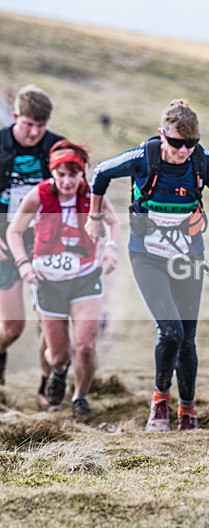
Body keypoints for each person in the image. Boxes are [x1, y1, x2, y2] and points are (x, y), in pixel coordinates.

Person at [87, 99, 209, 431]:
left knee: (187, 338)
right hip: (148, 257)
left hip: (188, 259)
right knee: (171, 332)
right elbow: (100, 173)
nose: (183, 150)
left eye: (190, 144)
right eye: (176, 143)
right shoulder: (144, 158)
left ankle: (187, 410)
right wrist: (95, 217)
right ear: (162, 135)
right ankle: (159, 402)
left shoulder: (203, 161)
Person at [7, 140, 120, 420]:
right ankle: (57, 372)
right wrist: (23, 265)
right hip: (48, 282)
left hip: (85, 278)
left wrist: (110, 248)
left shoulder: (93, 194)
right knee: (59, 354)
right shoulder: (38, 196)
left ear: (82, 173)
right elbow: (14, 231)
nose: (68, 181)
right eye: (61, 175)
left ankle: (80, 396)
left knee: (85, 345)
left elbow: (113, 222)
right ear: (53, 173)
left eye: (74, 174)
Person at [0, 85, 64, 399]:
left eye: (41, 126)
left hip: (45, 244)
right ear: (16, 117)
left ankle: (46, 385)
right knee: (12, 328)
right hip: (4, 243)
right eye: (29, 125)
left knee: (49, 321)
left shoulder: (56, 148)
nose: (35, 133)